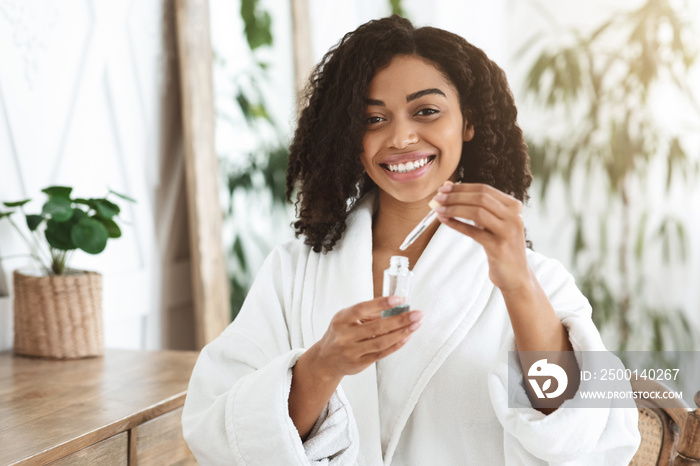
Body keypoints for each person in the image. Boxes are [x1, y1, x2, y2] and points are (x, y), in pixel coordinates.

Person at [182, 15, 640, 465]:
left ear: (468, 122)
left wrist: (517, 283)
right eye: (373, 118)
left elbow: (584, 440)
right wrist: (322, 365)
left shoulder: (538, 280)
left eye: (426, 111)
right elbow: (219, 434)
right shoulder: (293, 274)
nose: (400, 136)